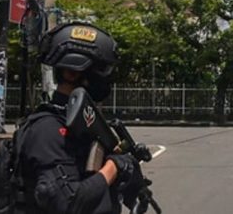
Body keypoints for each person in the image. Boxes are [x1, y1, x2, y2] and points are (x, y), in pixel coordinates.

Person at [12, 22, 145, 214]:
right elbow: (67, 203)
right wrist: (113, 167)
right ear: (71, 73)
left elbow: (91, 183)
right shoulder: (47, 129)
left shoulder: (81, 125)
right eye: (100, 70)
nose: (105, 80)